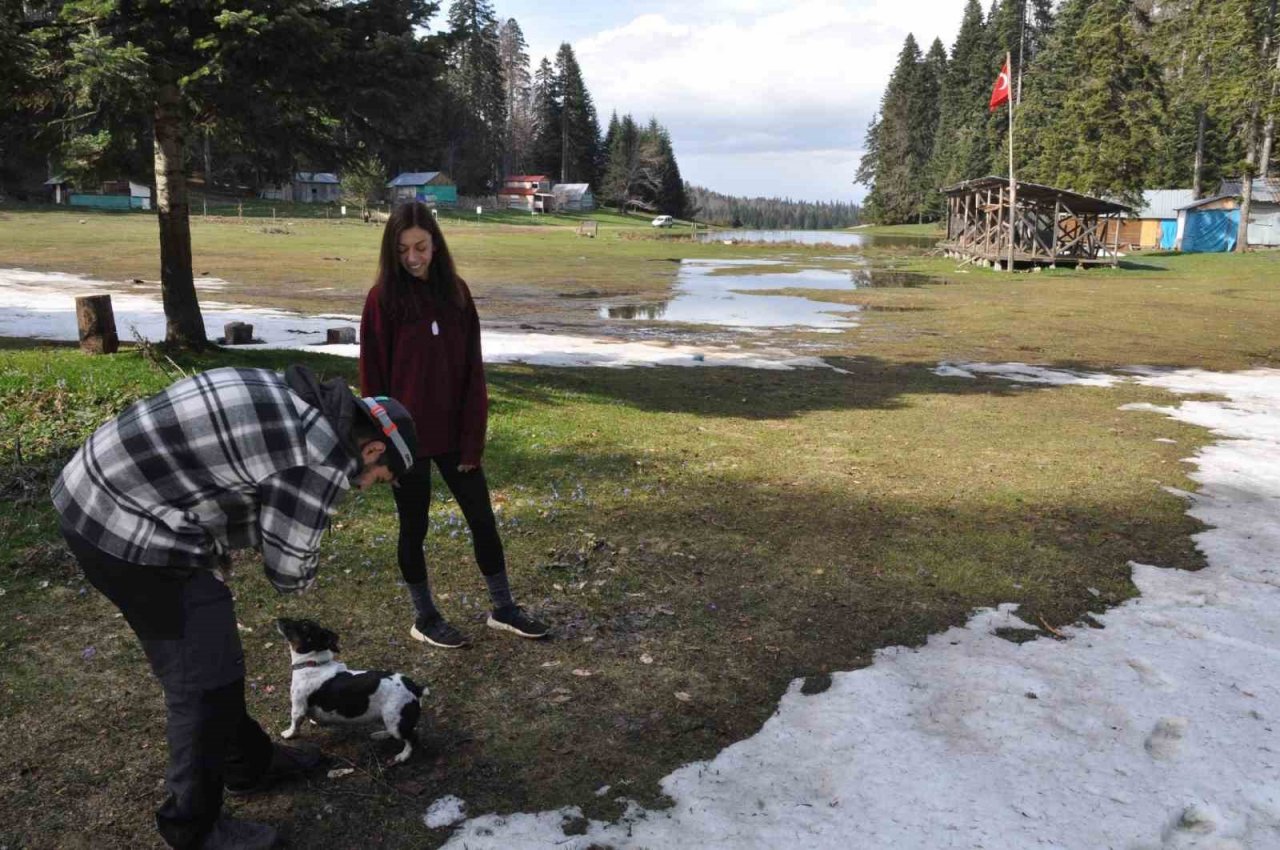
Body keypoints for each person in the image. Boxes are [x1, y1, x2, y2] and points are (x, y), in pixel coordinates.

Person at [52, 364, 418, 850]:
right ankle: (192, 828)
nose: (364, 487)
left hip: (91, 489)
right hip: (126, 530)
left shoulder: (300, 395)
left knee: (212, 661)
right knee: (202, 683)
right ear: (371, 449)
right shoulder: (324, 458)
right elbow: (288, 572)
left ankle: (248, 765)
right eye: (377, 477)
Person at [359, 200, 549, 648]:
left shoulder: (457, 294)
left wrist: (472, 442)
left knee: (482, 520)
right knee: (414, 529)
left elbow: (471, 374)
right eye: (404, 249)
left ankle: (503, 608)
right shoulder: (382, 300)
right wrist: (383, 448)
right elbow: (373, 382)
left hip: (454, 438)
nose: (413, 258)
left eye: (421, 247)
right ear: (392, 250)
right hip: (406, 443)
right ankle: (424, 617)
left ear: (436, 245)